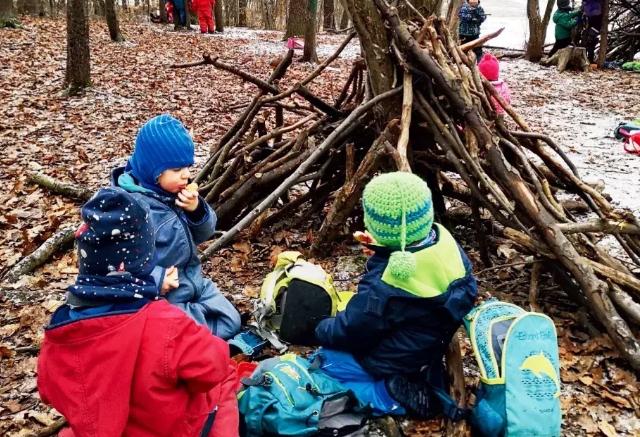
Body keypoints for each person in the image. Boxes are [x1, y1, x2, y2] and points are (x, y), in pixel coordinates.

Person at [37, 188, 239, 437]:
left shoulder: (61, 330)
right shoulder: (165, 323)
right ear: (142, 260)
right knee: (227, 378)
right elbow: (211, 370)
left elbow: (49, 391)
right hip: (173, 429)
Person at [314, 172, 478, 418]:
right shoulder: (444, 240)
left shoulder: (387, 282)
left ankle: (386, 395)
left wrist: (320, 327)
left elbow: (353, 331)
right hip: (428, 340)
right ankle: (414, 378)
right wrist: (384, 251)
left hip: (394, 358)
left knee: (324, 363)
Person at [112, 114, 241, 340]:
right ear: (154, 172)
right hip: (163, 294)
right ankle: (173, 332)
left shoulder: (176, 194)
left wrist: (197, 209)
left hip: (194, 281)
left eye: (188, 167)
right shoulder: (131, 208)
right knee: (191, 329)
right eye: (177, 169)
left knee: (232, 321)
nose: (187, 175)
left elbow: (206, 232)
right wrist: (157, 279)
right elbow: (120, 263)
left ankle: (188, 331)